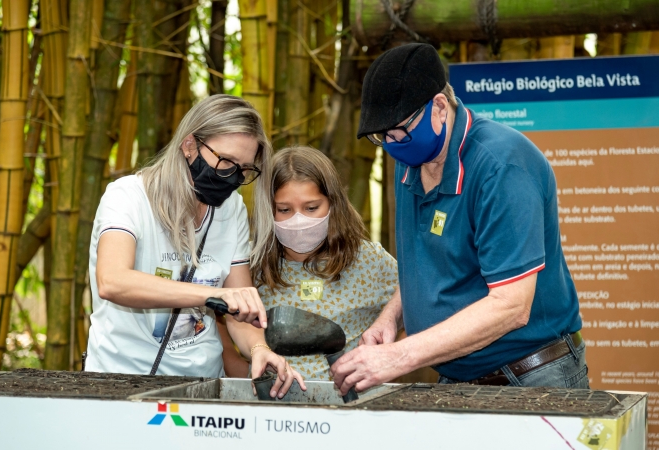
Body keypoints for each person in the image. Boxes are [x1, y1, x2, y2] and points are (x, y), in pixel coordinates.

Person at [331, 43, 587, 392]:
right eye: (382, 137)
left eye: (399, 132)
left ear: (439, 106)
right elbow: (428, 269)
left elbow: (511, 306)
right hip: (459, 378)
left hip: (530, 377)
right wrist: (391, 319)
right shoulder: (410, 162)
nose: (392, 145)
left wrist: (400, 356)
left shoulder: (501, 166)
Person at [85, 94, 304, 398]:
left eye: (243, 170)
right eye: (225, 162)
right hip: (119, 382)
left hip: (200, 387)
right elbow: (113, 281)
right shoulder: (127, 197)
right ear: (189, 146)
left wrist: (258, 348)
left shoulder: (232, 210)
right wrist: (214, 295)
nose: (232, 177)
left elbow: (237, 307)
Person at [250, 146, 399, 380]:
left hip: (353, 408)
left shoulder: (370, 260)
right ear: (268, 210)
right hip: (274, 410)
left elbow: (415, 300)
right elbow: (224, 327)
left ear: (332, 203)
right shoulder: (253, 265)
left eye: (311, 208)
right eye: (284, 210)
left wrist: (387, 356)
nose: (299, 220)